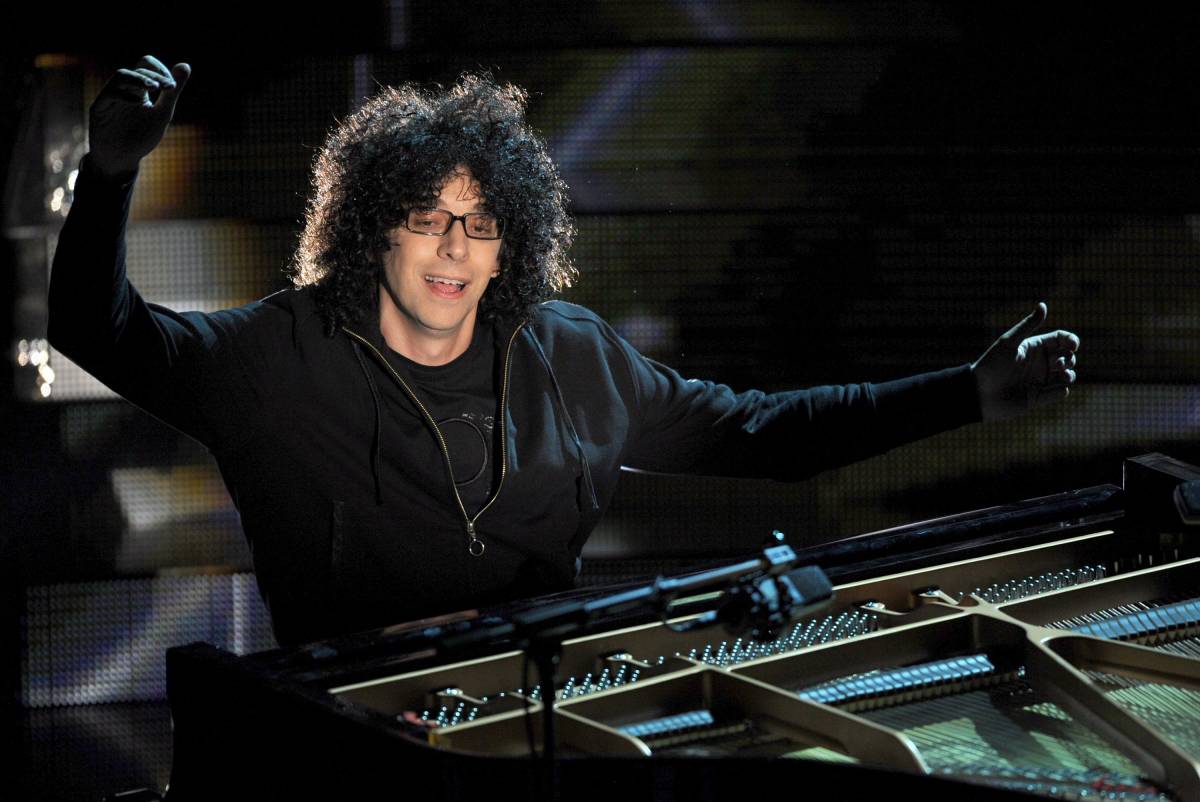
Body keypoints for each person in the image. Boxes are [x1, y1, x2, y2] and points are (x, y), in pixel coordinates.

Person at [48, 56, 1079, 647]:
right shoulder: (277, 355)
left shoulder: (573, 354)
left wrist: (970, 393)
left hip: (544, 705)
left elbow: (765, 433)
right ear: (371, 231)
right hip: (346, 724)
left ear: (513, 242)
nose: (455, 248)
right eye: (425, 218)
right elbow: (100, 331)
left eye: (481, 224)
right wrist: (111, 174)